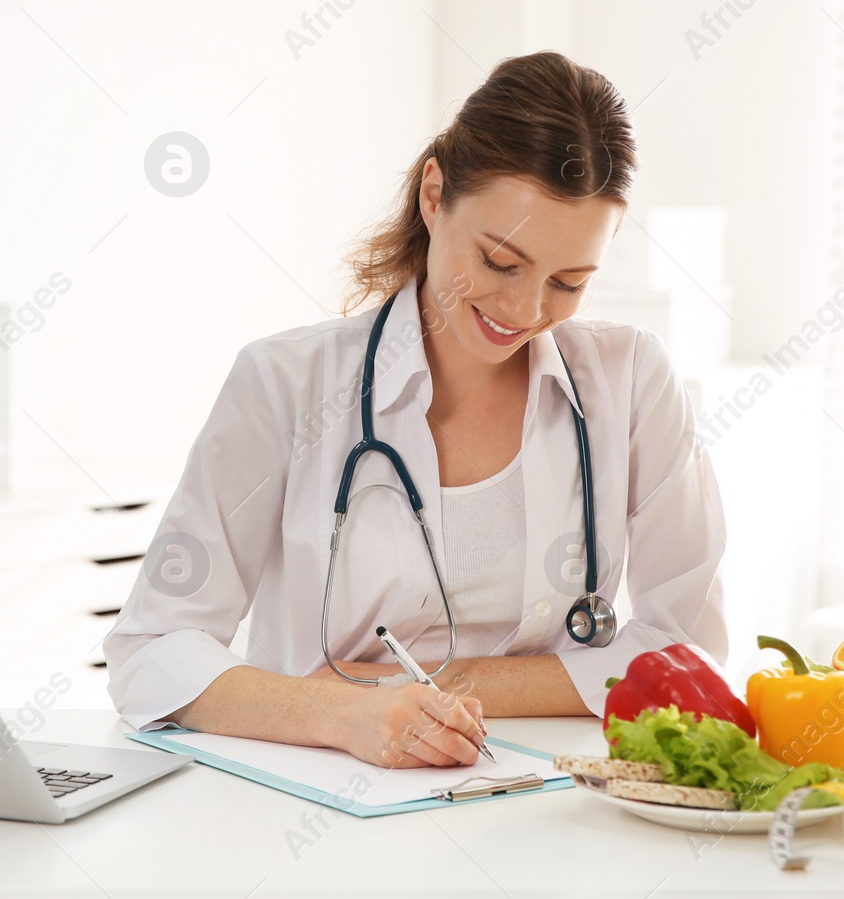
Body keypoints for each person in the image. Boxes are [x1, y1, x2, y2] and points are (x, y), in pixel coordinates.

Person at [104, 51, 729, 769]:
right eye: (500, 261)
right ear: (434, 194)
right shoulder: (285, 384)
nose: (525, 311)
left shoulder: (631, 382)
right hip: (327, 802)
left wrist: (435, 685)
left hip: (549, 805)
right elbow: (153, 649)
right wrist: (343, 713)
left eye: (568, 281)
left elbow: (687, 653)